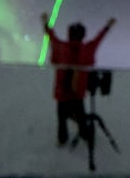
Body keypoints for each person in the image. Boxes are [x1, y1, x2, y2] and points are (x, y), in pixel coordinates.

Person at [40, 14, 116, 149]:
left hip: (62, 94)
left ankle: (62, 140)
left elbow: (50, 35)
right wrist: (108, 26)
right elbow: (99, 38)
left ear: (69, 34)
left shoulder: (60, 47)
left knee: (61, 118)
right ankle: (85, 135)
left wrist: (45, 22)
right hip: (77, 94)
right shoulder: (87, 49)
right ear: (83, 35)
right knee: (81, 118)